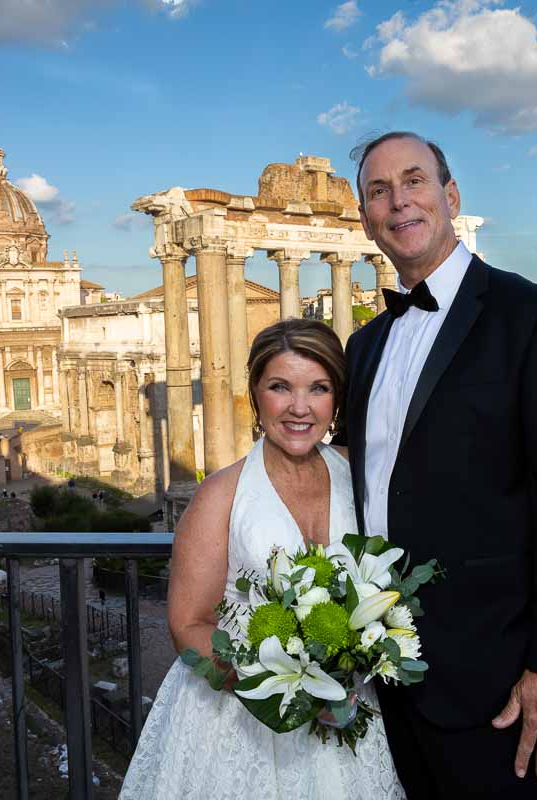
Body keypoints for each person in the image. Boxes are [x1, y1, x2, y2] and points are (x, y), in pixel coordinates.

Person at [336, 131, 537, 798]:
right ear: (368, 220)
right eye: (378, 191)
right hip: (384, 676)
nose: (398, 201)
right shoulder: (365, 343)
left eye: (414, 181)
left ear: (450, 196)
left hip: (496, 678)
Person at [119, 319, 403, 799]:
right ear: (255, 396)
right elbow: (187, 628)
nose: (299, 407)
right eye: (280, 387)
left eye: (318, 388)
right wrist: (279, 689)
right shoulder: (220, 494)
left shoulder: (361, 477)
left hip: (352, 709)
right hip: (238, 723)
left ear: (336, 399)